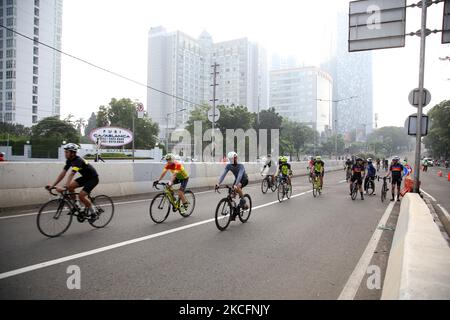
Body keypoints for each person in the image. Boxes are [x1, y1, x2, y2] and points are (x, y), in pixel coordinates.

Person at [46, 143, 100, 221]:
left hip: (93, 179)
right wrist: (53, 185)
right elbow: (63, 173)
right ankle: (77, 206)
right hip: (85, 178)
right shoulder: (69, 161)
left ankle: (94, 213)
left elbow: (71, 174)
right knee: (70, 187)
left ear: (73, 153)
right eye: (65, 152)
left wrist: (65, 187)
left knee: (81, 196)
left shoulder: (78, 160)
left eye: (67, 152)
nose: (65, 153)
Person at [216, 152, 249, 217]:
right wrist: (218, 183)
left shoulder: (240, 165)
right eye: (231, 159)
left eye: (234, 158)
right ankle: (233, 207)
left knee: (237, 188)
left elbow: (240, 175)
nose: (233, 160)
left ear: (236, 158)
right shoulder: (229, 166)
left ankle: (244, 202)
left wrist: (236, 185)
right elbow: (223, 174)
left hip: (244, 179)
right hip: (237, 180)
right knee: (231, 194)